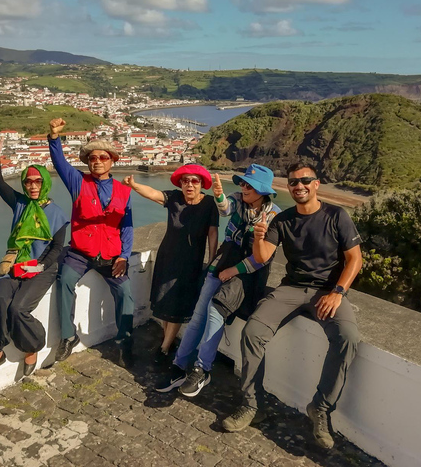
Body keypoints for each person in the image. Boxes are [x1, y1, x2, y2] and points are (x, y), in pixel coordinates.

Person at [221, 163, 362, 450]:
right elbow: (261, 258)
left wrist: (337, 292)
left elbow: (355, 259)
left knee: (347, 339)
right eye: (294, 182)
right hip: (291, 289)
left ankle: (320, 409)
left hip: (328, 291)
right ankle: (252, 405)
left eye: (305, 181)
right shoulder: (282, 220)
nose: (299, 186)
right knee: (253, 332)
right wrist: (259, 237)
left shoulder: (337, 215)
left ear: (316, 184)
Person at [155, 164, 281, 398]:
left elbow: (262, 259)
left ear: (262, 190)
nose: (243, 188)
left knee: (215, 310)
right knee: (197, 315)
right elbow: (225, 209)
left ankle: (202, 368)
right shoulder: (237, 199)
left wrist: (234, 270)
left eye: (249, 185)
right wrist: (219, 194)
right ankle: (179, 365)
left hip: (246, 271)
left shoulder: (273, 216)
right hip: (223, 261)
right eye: (242, 183)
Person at [0, 139, 69, 378]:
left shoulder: (56, 213)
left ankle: (31, 348)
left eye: (38, 181)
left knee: (18, 309)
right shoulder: (20, 204)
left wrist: (39, 266)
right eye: (29, 181)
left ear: (45, 183)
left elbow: (57, 247)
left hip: (42, 268)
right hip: (15, 265)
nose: (33, 185)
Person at [48, 118, 136, 367]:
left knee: (125, 292)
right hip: (80, 253)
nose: (97, 161)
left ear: (112, 160)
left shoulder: (123, 191)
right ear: (87, 162)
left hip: (110, 254)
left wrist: (124, 256)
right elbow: (60, 163)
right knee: (64, 280)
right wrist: (54, 137)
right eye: (92, 158)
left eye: (103, 157)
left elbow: (127, 227)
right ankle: (68, 336)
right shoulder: (78, 182)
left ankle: (125, 340)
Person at [122, 165, 219, 363]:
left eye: (194, 181)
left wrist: (212, 260)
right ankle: (169, 340)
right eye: (185, 181)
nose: (189, 185)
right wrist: (133, 184)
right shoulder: (174, 197)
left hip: (190, 261)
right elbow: (153, 194)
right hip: (167, 257)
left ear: (201, 184)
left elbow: (213, 233)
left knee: (178, 306)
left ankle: (165, 347)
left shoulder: (209, 203)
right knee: (165, 300)